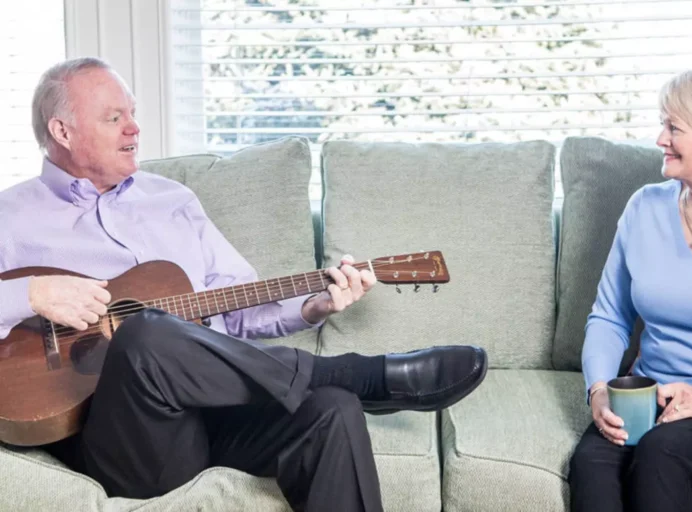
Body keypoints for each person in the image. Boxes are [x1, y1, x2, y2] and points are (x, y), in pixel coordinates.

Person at [0, 57, 488, 512]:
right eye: (113, 118)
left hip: (213, 420)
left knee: (331, 409)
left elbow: (235, 308)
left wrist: (313, 307)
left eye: (133, 113)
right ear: (62, 130)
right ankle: (357, 373)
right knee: (146, 332)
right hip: (127, 441)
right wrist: (32, 294)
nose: (134, 128)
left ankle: (339, 384)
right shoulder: (13, 216)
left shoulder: (172, 200)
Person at [568, 61, 692, 512]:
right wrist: (599, 389)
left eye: (673, 127)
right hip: (652, 392)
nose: (660, 139)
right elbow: (609, 317)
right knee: (593, 465)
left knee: (665, 451)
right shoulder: (645, 207)